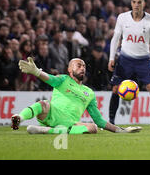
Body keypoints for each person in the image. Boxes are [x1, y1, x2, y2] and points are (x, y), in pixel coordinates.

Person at [11, 57, 140, 134]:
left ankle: (45, 130)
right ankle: (19, 118)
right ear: (69, 69)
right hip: (52, 114)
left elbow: (99, 121)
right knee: (43, 104)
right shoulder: (63, 79)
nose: (82, 68)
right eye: (78, 65)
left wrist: (122, 130)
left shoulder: (89, 93)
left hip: (70, 123)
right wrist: (36, 72)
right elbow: (49, 78)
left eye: (84, 66)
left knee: (93, 128)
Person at [108, 0, 150, 129]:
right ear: (131, 3)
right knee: (115, 89)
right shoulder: (122, 18)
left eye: (139, 2)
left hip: (143, 60)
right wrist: (111, 57)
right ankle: (111, 121)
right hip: (125, 59)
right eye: (134, 2)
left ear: (144, 3)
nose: (136, 5)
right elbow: (115, 38)